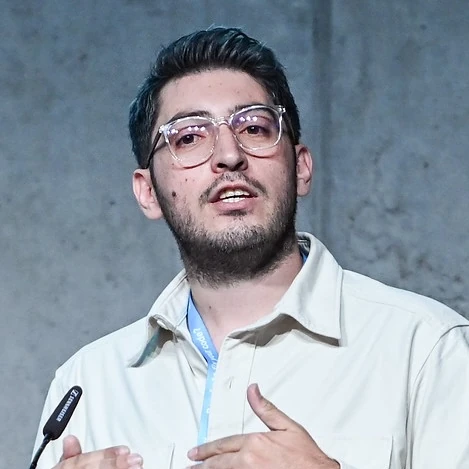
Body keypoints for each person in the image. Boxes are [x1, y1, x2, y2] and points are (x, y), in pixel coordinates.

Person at [33, 27, 469, 469]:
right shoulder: (86, 385)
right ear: (148, 193)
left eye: (255, 128)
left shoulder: (426, 349)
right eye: (189, 137)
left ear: (301, 168)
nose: (229, 154)